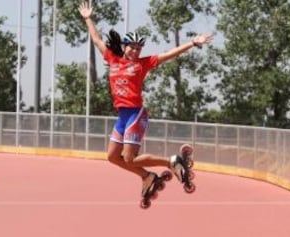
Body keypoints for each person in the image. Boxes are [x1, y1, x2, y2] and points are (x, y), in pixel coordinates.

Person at [79, 1, 213, 198]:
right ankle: (147, 177)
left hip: (135, 114)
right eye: (132, 47)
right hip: (122, 116)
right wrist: (88, 18)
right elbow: (97, 39)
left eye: (138, 48)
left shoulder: (143, 64)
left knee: (129, 158)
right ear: (124, 47)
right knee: (112, 157)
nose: (135, 51)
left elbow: (168, 54)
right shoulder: (112, 59)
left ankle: (172, 162)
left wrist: (192, 43)